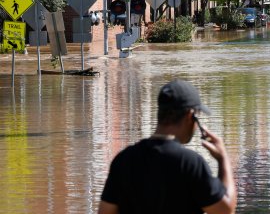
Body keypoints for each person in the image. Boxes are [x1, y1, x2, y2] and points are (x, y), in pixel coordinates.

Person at [98, 79, 237, 214]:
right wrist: (223, 158)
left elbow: (105, 212)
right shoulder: (190, 163)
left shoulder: (123, 160)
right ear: (190, 116)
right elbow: (225, 210)